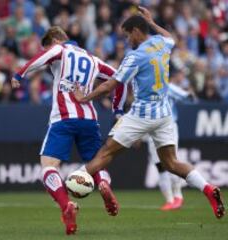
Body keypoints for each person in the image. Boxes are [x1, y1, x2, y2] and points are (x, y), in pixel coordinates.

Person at [74, 7, 225, 219]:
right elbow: (169, 36)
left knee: (106, 152)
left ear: (136, 31)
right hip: (164, 115)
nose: (127, 40)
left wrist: (84, 97)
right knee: (172, 163)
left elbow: (110, 86)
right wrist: (152, 22)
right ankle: (208, 189)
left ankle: (75, 184)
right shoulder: (161, 44)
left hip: (141, 115)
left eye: (128, 35)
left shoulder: (134, 57)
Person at [11, 26, 126, 235]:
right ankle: (103, 185)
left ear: (55, 41)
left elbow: (40, 58)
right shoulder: (93, 59)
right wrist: (117, 108)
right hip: (90, 119)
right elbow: (120, 79)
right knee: (95, 163)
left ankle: (66, 206)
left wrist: (20, 74)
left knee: (48, 166)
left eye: (47, 47)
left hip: (63, 118)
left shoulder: (59, 50)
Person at [147, 83, 196, 211]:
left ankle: (178, 195)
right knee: (159, 165)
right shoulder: (143, 86)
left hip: (168, 126)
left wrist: (189, 94)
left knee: (172, 161)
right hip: (150, 128)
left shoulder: (166, 86)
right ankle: (169, 200)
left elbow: (185, 96)